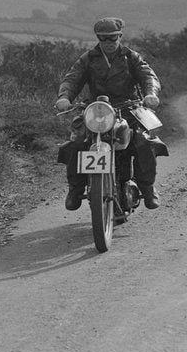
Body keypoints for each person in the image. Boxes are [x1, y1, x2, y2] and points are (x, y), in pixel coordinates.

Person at [55, 17, 165, 212]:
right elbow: (72, 79)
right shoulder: (88, 59)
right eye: (103, 38)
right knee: (77, 142)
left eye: (112, 38)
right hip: (97, 110)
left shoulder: (132, 57)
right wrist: (64, 97)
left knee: (143, 142)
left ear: (120, 36)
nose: (108, 42)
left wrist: (150, 94)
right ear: (98, 38)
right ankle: (75, 189)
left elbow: (148, 76)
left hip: (129, 109)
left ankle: (147, 189)